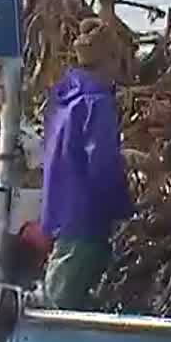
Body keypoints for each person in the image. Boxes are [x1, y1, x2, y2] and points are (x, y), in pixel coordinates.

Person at [38, 20, 131, 310]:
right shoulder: (96, 103)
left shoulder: (64, 97)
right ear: (110, 60)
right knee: (60, 301)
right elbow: (101, 165)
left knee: (63, 286)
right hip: (86, 218)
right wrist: (125, 209)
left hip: (59, 210)